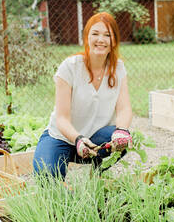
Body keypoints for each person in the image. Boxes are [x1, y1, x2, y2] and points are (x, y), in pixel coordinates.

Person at [33, 12, 133, 179]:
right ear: (86, 37)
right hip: (62, 138)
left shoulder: (118, 68)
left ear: (114, 41)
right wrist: (78, 139)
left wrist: (122, 130)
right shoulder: (70, 67)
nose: (100, 39)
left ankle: (96, 178)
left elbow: (124, 108)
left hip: (95, 138)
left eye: (107, 35)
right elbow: (62, 119)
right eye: (95, 34)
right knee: (46, 174)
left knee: (121, 140)